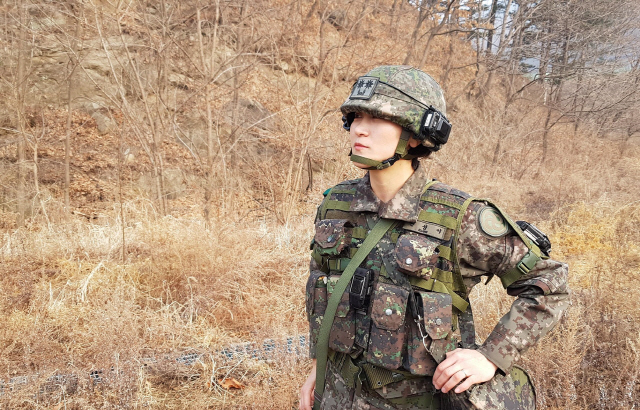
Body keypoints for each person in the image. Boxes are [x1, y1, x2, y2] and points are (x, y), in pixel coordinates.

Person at [299, 65, 570, 410]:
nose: (359, 130)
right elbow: (321, 288)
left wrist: (491, 356)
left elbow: (550, 281)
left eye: (377, 119)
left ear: (414, 135)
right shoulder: (336, 204)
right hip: (336, 395)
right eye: (354, 117)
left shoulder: (460, 216)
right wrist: (317, 369)